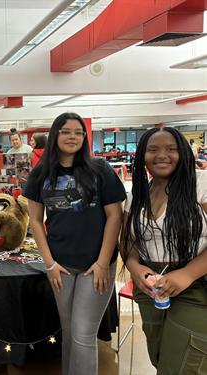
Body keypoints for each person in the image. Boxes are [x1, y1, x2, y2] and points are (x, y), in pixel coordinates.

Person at [24, 112, 126, 375]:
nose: (73, 137)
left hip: (97, 265)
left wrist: (103, 263)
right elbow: (35, 220)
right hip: (61, 265)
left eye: (78, 132)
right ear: (55, 135)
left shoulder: (100, 169)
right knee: (69, 333)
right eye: (66, 131)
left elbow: (115, 216)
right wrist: (50, 264)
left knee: (82, 335)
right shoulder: (40, 174)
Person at [121, 127, 207, 374]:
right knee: (160, 358)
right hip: (150, 289)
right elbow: (128, 240)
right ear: (142, 156)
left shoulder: (200, 183)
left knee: (181, 365)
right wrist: (135, 268)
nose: (162, 155)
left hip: (198, 286)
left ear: (184, 153)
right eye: (153, 149)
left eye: (172, 149)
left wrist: (188, 273)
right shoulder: (138, 194)